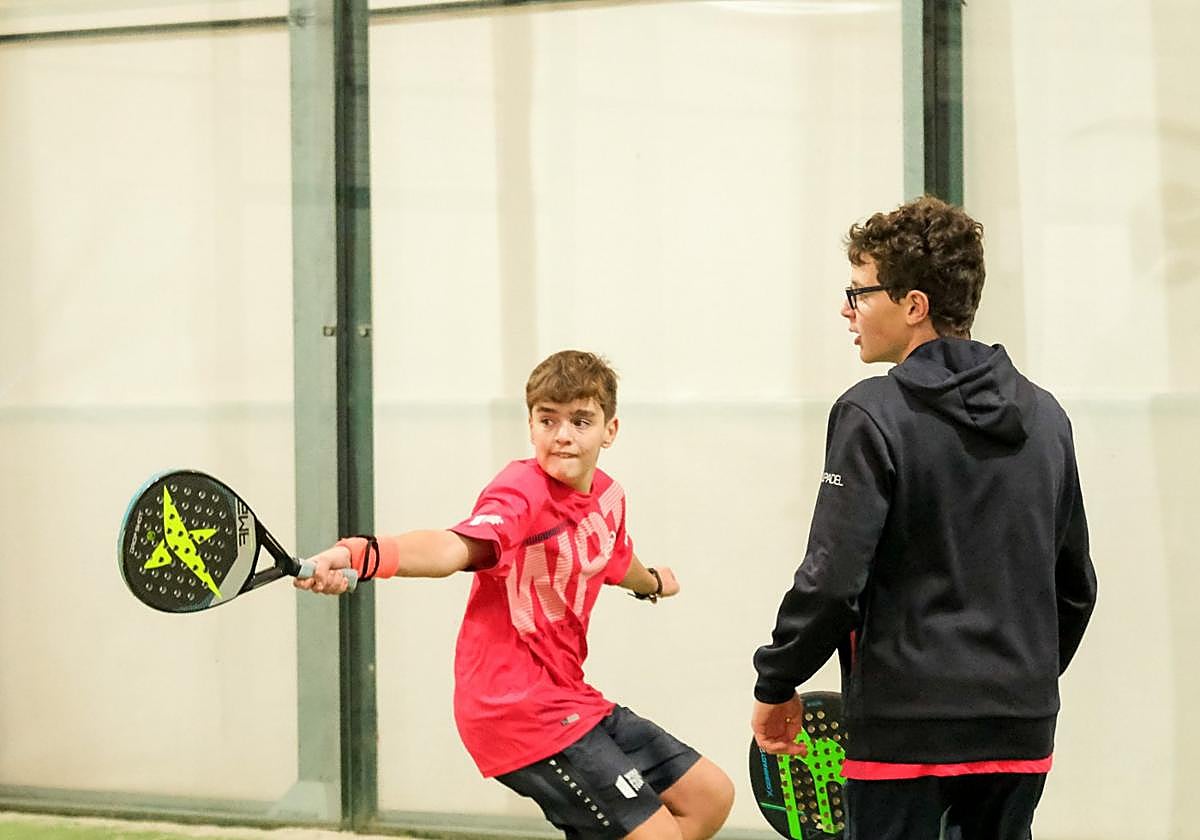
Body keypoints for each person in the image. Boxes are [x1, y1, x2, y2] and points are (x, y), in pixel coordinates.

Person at [750, 196, 1097, 840]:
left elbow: (830, 580)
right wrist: (1016, 683)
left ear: (914, 306)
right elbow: (1076, 586)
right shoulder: (1047, 416)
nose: (846, 310)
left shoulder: (870, 412)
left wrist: (777, 681)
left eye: (859, 292)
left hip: (903, 731)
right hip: (1021, 724)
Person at [300, 350, 733, 840]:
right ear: (530, 426)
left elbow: (612, 558)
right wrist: (363, 555)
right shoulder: (520, 492)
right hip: (515, 710)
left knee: (709, 797)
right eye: (548, 420)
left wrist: (653, 582)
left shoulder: (609, 497)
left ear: (610, 430)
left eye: (581, 420)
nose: (563, 435)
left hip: (572, 698)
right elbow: (452, 547)